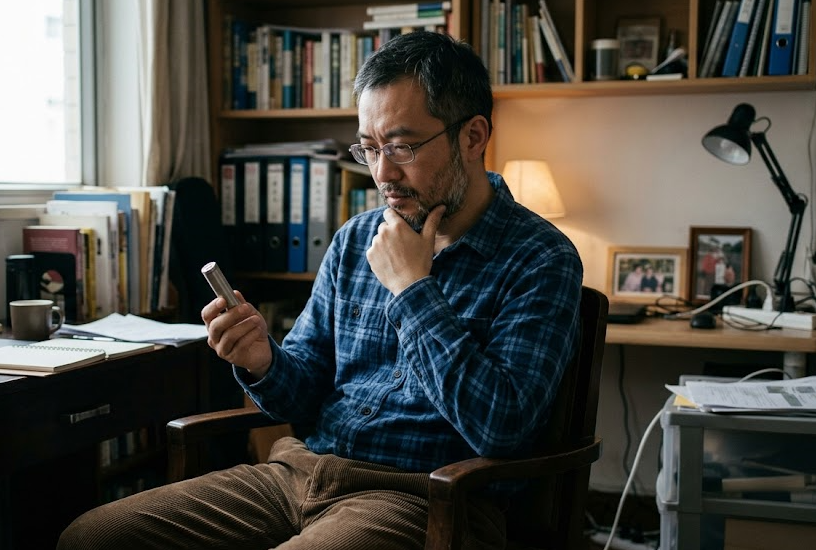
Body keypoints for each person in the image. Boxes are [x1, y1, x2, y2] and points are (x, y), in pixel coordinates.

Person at [57, 30, 582, 550]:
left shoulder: (540, 258)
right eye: (369, 148)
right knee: (91, 537)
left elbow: (501, 428)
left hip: (422, 499)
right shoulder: (355, 240)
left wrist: (412, 288)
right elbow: (304, 391)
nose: (382, 173)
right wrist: (263, 360)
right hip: (298, 473)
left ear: (472, 137)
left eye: (401, 146)